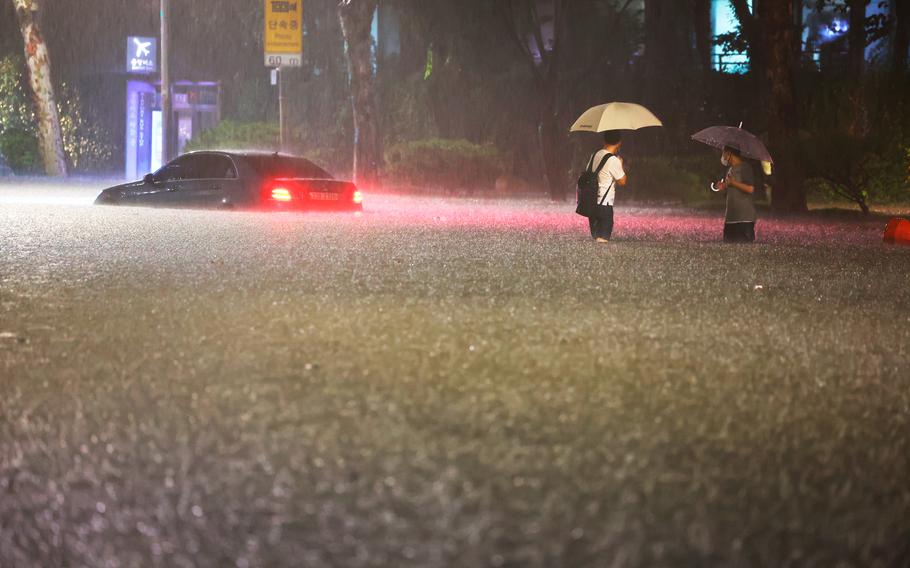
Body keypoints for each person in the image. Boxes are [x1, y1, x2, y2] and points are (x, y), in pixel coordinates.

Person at [588, 131, 628, 243]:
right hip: (604, 205)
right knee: (603, 240)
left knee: (596, 238)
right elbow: (622, 181)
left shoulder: (594, 155)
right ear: (619, 143)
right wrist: (620, 164)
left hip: (591, 204)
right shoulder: (613, 160)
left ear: (604, 140)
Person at [713, 146, 757, 243]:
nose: (723, 156)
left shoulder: (745, 167)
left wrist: (734, 183)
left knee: (744, 248)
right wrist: (723, 187)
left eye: (723, 153)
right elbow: (731, 191)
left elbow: (750, 189)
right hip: (731, 218)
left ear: (729, 154)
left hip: (744, 218)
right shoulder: (729, 170)